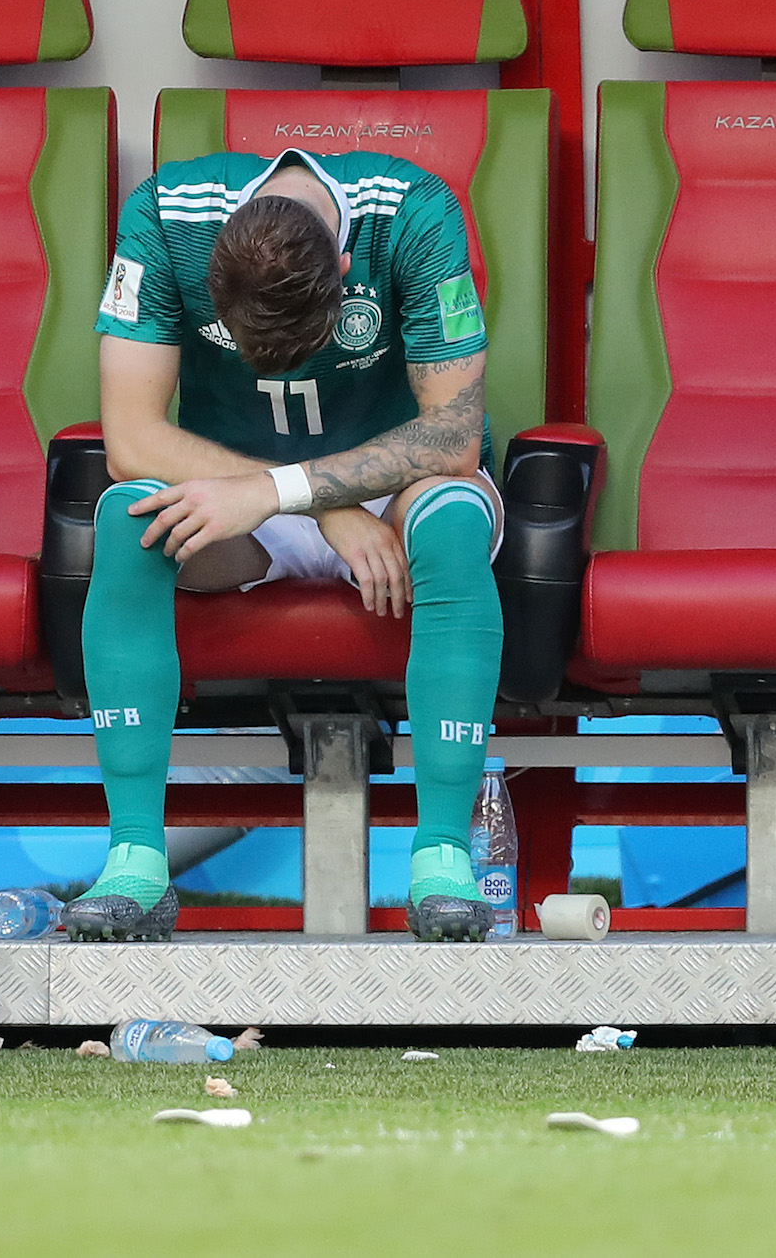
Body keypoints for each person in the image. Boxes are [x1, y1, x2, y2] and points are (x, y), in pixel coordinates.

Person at [77, 146, 502, 942]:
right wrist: (309, 506)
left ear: (344, 268)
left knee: (452, 516)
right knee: (126, 516)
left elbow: (453, 436)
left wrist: (301, 493)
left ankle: (443, 857)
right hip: (234, 488)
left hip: (385, 487)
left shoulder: (413, 208)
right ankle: (133, 858)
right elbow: (131, 437)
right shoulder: (167, 214)